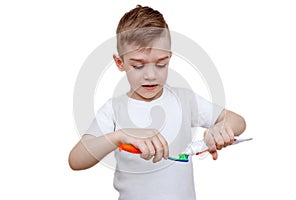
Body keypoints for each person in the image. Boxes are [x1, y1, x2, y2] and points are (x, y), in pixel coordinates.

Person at [69, 5, 246, 200]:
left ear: (169, 57)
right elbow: (76, 160)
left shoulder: (184, 100)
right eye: (138, 65)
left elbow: (238, 121)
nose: (151, 75)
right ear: (120, 63)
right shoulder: (114, 109)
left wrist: (219, 129)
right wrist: (119, 136)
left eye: (161, 64)